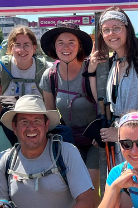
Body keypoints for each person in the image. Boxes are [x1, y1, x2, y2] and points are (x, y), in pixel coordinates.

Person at [90, 7, 138, 165]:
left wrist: (120, 133)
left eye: (117, 28)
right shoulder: (113, 62)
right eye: (106, 30)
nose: (111, 34)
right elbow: (101, 101)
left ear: (127, 29)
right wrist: (91, 71)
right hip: (122, 144)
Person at [39, 23, 99, 183]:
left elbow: (103, 105)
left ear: (80, 46)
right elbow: (51, 115)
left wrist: (100, 132)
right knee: (73, 188)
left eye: (71, 42)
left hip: (96, 141)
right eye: (61, 42)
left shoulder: (93, 69)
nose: (66, 47)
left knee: (91, 187)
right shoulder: (49, 75)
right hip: (69, 141)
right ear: (54, 46)